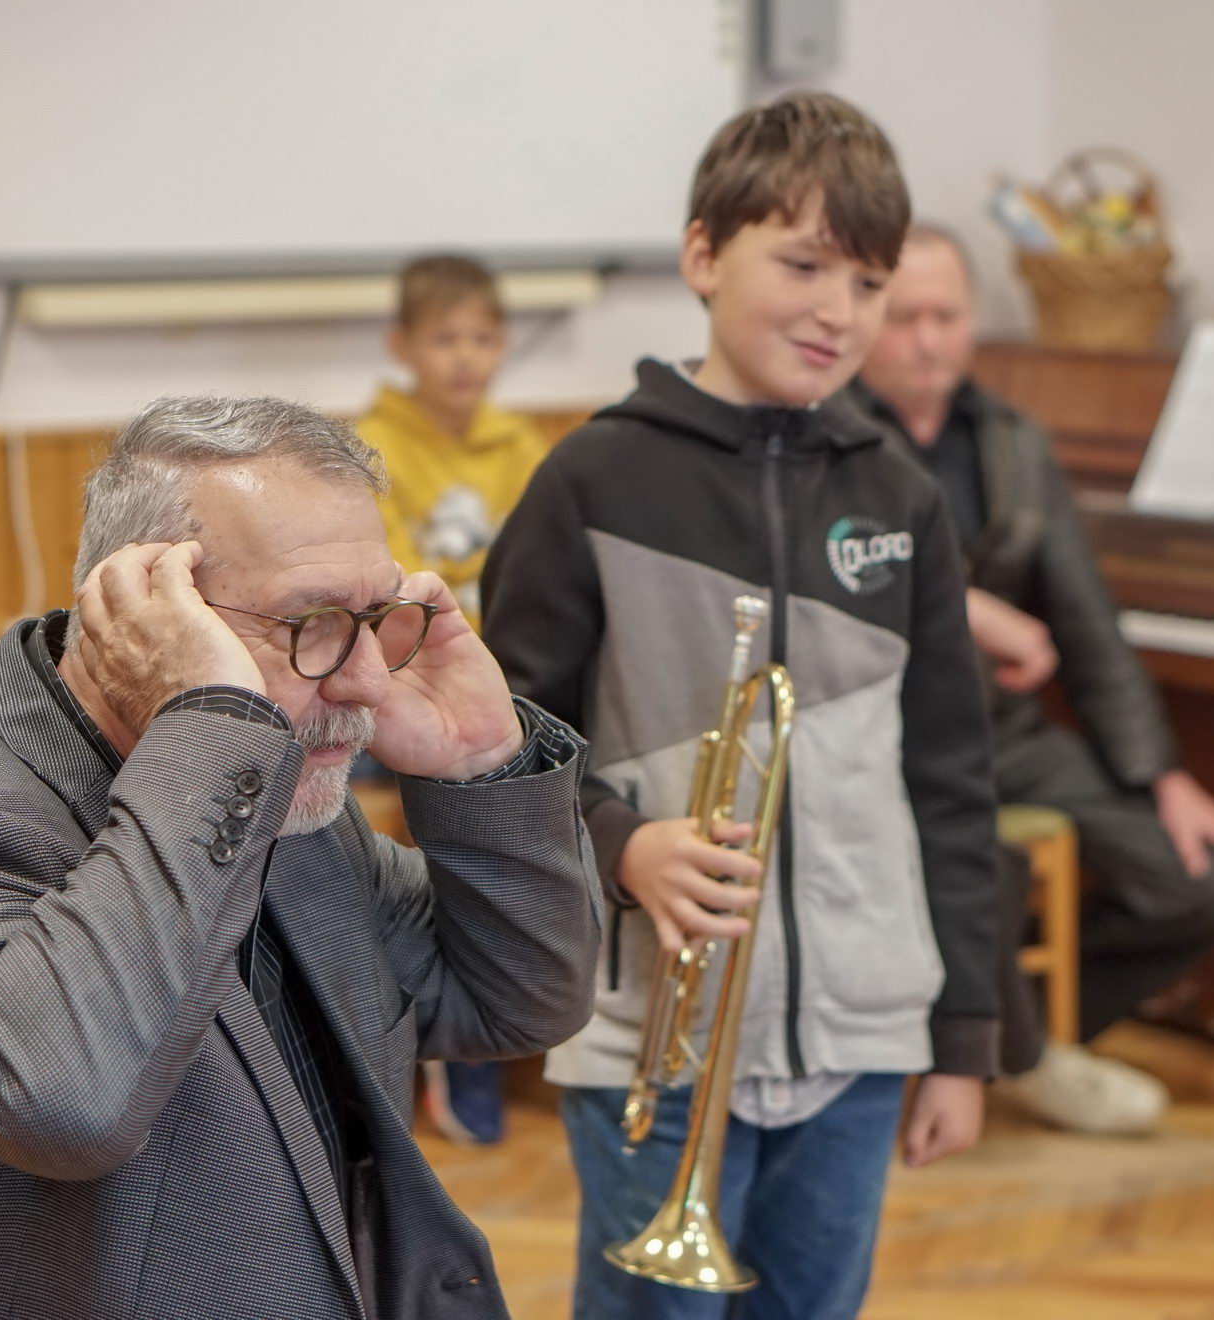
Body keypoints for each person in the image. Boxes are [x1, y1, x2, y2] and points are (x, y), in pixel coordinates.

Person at [0, 395, 601, 1319]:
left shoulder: (286, 801)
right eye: (311, 622)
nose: (368, 680)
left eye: (375, 618)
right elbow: (64, 1102)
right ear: (142, 611)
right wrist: (211, 731)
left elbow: (518, 998)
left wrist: (483, 764)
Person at [482, 92, 1000, 1320]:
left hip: (862, 1033)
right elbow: (491, 751)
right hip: (652, 1032)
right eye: (804, 265)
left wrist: (964, 1038)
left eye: (868, 283)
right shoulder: (593, 481)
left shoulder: (900, 497)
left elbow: (952, 778)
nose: (839, 311)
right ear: (704, 254)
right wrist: (623, 846)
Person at [847, 224, 1214, 1134]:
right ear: (863, 318)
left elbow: (1087, 624)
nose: (927, 340)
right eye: (904, 317)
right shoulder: (827, 439)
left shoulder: (1012, 440)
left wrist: (1164, 777)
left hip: (1007, 736)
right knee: (981, 866)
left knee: (1206, 881)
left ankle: (1027, 1041)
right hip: (884, 746)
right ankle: (1011, 1049)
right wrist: (963, 606)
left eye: (946, 316)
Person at [356, 254, 553, 1146]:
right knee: (452, 789)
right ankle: (452, 1034)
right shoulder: (371, 448)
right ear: (403, 346)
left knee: (543, 776)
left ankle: (515, 1012)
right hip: (396, 688)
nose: (465, 357)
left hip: (504, 680)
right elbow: (389, 597)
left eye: (482, 338)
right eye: (444, 339)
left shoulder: (524, 449)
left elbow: (544, 581)